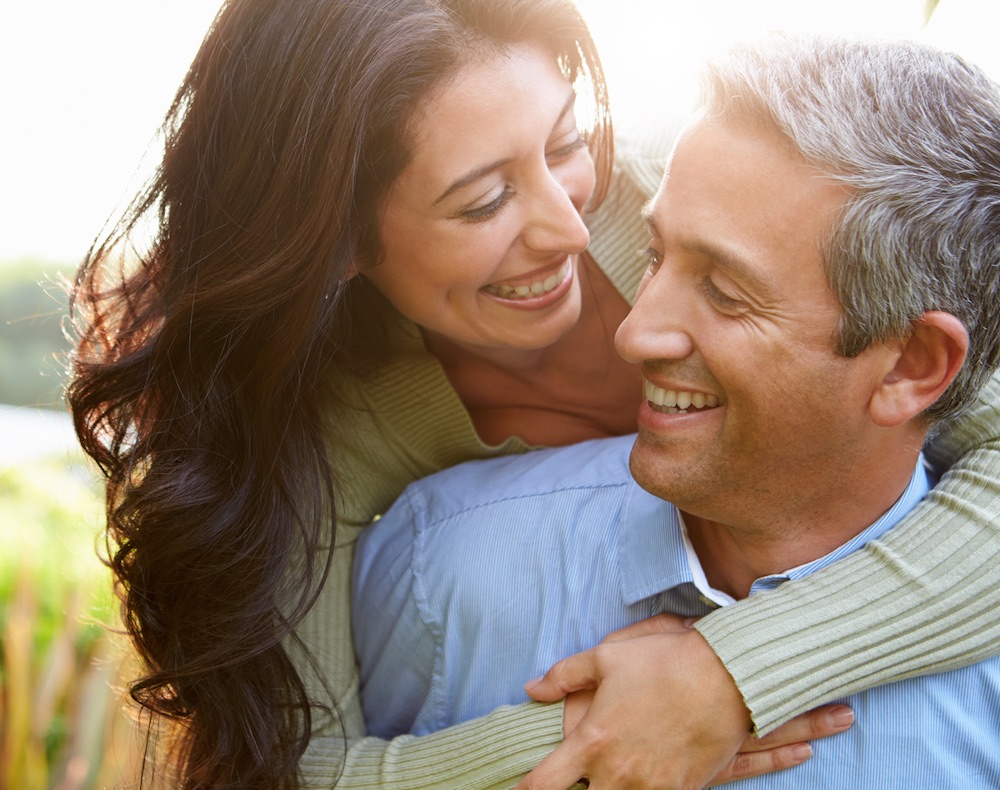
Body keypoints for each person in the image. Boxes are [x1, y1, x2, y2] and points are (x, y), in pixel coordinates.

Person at [65, 0, 999, 784]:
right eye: (481, 203)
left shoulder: (715, 193)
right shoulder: (323, 434)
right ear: (340, 240)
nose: (569, 226)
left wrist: (734, 675)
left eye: (563, 144)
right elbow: (289, 767)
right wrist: (594, 739)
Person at [354, 34, 1000, 787]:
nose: (632, 332)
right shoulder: (437, 569)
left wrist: (738, 671)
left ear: (911, 365)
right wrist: (572, 746)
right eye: (655, 256)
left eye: (725, 292)